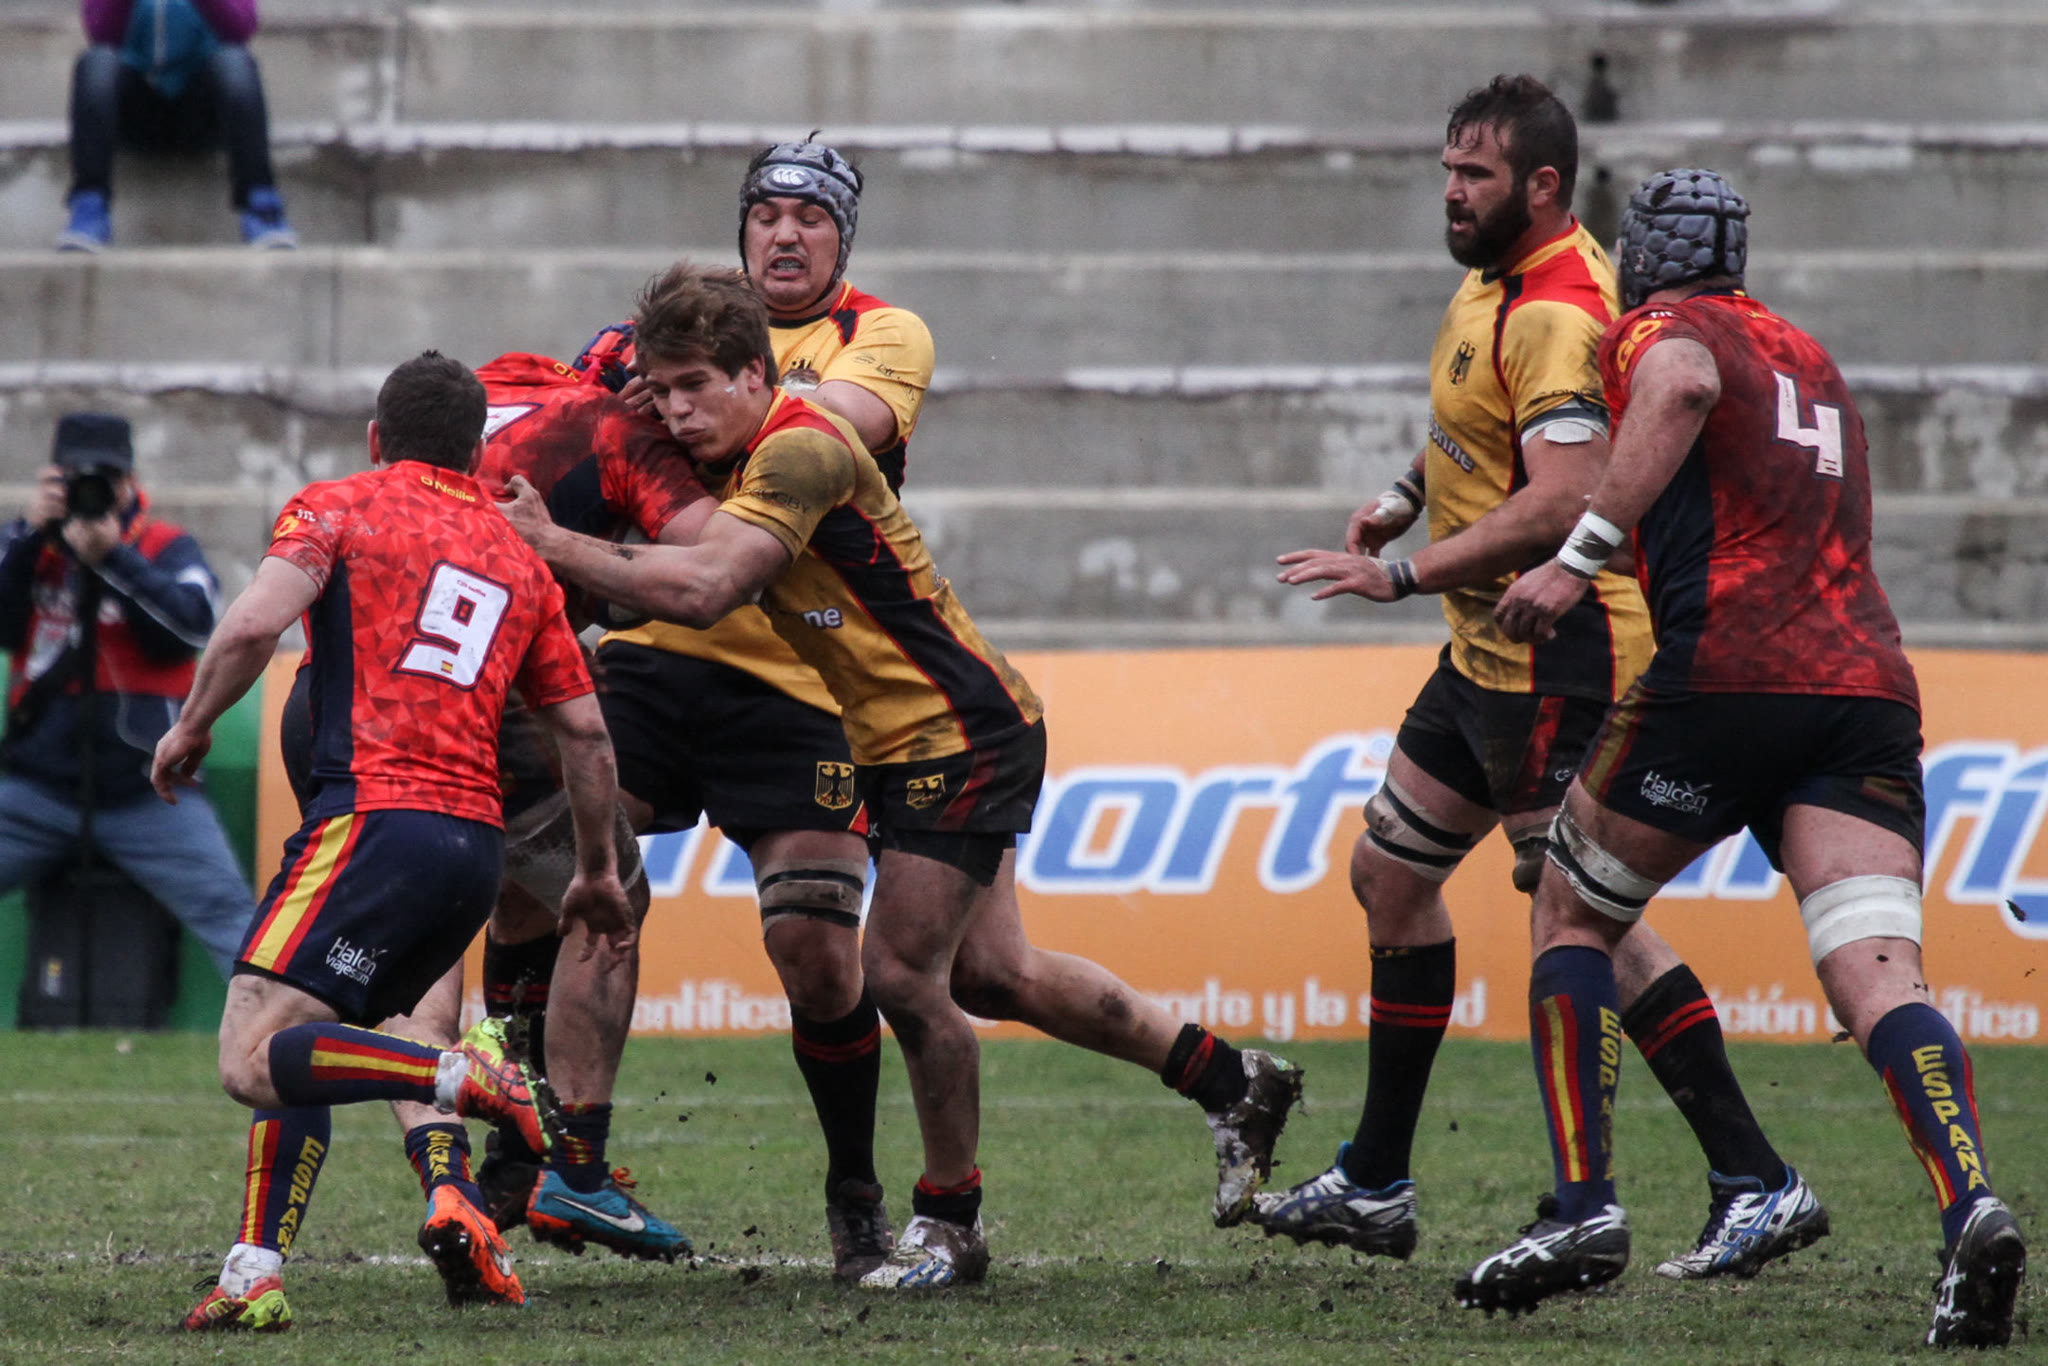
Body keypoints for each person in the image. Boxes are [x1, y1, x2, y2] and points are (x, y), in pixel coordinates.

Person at [499, 262, 1303, 1291]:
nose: (678, 410)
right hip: (905, 737)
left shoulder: (798, 449)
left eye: (697, 384)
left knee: (899, 978)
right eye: (661, 391)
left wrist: (550, 540)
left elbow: (705, 589)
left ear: (756, 374)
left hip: (953, 733)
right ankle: (1231, 1078)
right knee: (993, 974)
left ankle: (949, 1221)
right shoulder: (741, 459)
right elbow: (667, 578)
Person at [1264, 76, 1816, 1281]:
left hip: (1558, 653)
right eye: (1446, 169)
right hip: (1482, 653)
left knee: (1580, 914)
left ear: (1542, 185)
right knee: (1389, 872)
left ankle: (1752, 1175)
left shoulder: (1561, 311)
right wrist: (1404, 492)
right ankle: (1375, 1179)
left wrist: (1401, 573)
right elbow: (1481, 423)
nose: (1450, 192)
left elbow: (1564, 496)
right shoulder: (1493, 278)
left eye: (1474, 174)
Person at [1468, 168, 2028, 1347]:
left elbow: (1676, 383)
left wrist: (1578, 553)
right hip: (1863, 689)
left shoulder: (1659, 328)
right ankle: (1970, 1203)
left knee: (1569, 904)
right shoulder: (1807, 357)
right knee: (1877, 976)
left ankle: (1582, 1208)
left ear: (1643, 255)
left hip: (1729, 673)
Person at [525, 137, 935, 1280]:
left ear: (843, 237)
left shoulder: (880, 334)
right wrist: (616, 401)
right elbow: (561, 426)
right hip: (649, 660)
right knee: (578, 881)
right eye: (765, 215)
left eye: (811, 217)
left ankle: (854, 1192)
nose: (785, 234)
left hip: (805, 675)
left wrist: (677, 392)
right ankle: (565, 1163)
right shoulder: (644, 344)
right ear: (740, 228)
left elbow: (838, 417)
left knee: (815, 949)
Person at [161, 352, 633, 1331]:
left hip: (372, 819)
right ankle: (258, 1268)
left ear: (377, 437)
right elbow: (586, 735)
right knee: (314, 1030)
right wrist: (595, 870)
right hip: (472, 849)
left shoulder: (338, 504)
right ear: (475, 453)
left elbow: (251, 627)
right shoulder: (519, 556)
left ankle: (464, 1075)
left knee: (251, 1051)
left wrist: (193, 725)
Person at [0, 412, 253, 978]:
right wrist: (27, 537)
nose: (90, 489)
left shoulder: (165, 546)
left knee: (231, 914)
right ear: (53, 478)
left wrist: (113, 557)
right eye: (74, 477)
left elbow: (191, 629)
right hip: (37, 789)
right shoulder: (27, 545)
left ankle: (275, 1030)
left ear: (128, 481)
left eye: (105, 478)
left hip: (151, 792)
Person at [57, 0, 295, 251]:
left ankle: (262, 206)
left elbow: (240, 30)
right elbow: (102, 35)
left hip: (203, 112)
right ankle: (89, 206)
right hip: (138, 112)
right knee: (96, 62)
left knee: (235, 61)